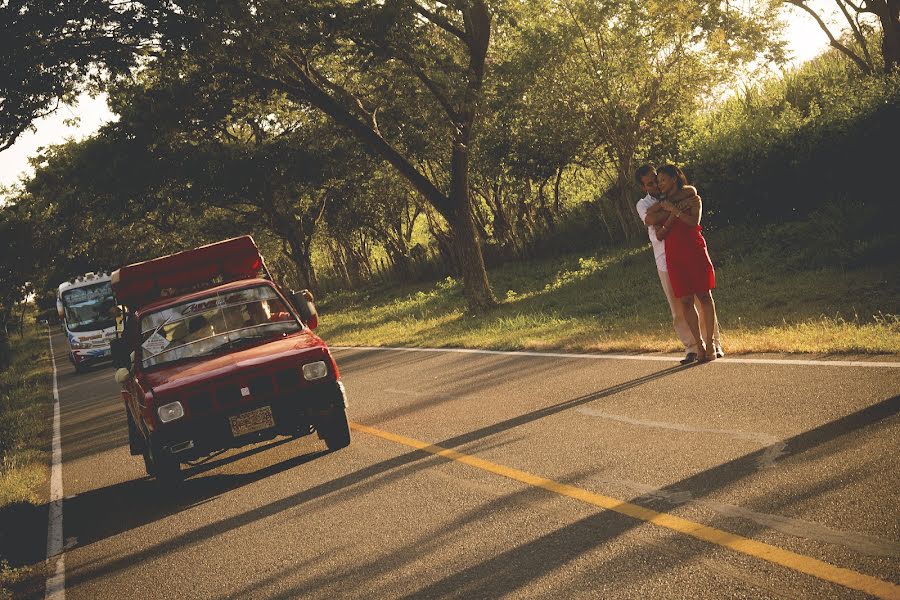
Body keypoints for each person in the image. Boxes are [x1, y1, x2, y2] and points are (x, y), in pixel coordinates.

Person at [635, 165, 720, 364]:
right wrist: (675, 210)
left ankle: (713, 343)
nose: (655, 184)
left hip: (690, 249)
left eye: (656, 179)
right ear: (643, 187)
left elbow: (692, 193)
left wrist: (669, 206)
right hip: (665, 257)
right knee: (679, 306)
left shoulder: (682, 192)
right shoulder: (643, 203)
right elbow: (650, 219)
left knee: (704, 298)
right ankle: (691, 347)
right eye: (650, 183)